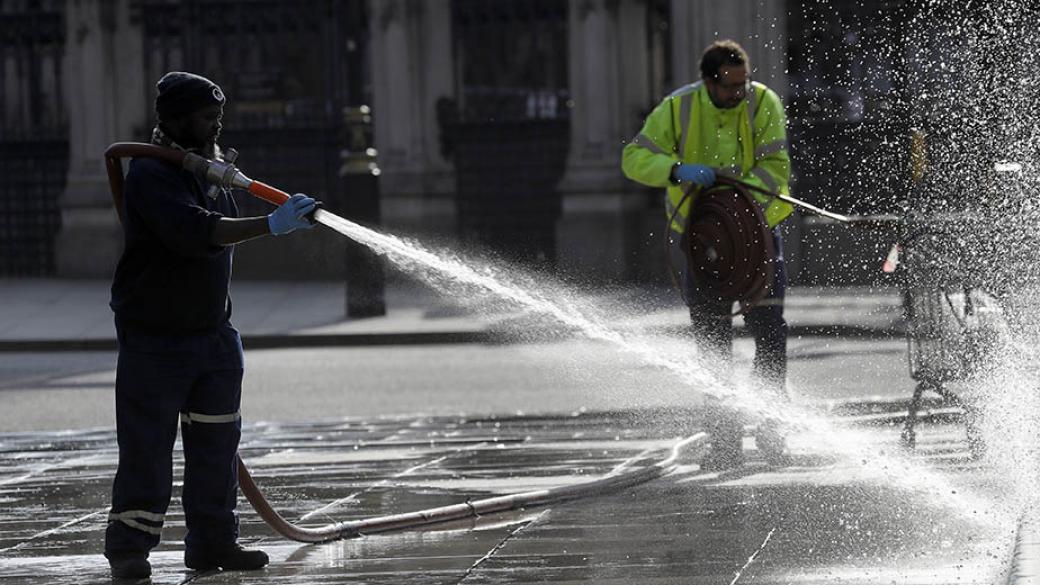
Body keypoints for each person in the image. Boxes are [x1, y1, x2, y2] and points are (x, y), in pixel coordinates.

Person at [104, 71, 319, 579]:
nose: (215, 124)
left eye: (218, 116)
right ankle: (130, 549)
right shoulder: (151, 176)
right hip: (156, 338)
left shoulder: (211, 170)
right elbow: (197, 233)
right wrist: (271, 224)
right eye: (206, 116)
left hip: (214, 335)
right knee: (148, 449)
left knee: (217, 447)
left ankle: (214, 543)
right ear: (176, 119)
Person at [621, 40, 792, 470]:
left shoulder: (763, 102)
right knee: (714, 348)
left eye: (743, 83)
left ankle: (772, 434)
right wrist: (676, 170)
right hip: (704, 245)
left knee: (770, 337)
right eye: (730, 86)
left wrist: (738, 202)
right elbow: (633, 158)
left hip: (758, 239)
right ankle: (725, 445)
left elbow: (777, 167)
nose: (738, 93)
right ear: (708, 81)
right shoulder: (678, 108)